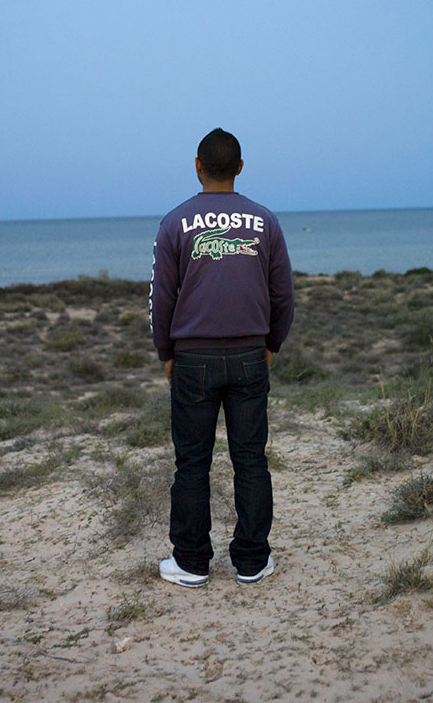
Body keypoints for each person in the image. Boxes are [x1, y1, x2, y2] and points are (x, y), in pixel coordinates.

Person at [149, 128, 295, 587]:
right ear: (239, 167)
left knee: (192, 462)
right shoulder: (265, 221)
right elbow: (284, 295)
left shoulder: (175, 222)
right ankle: (252, 561)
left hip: (193, 358)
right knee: (250, 459)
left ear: (197, 165)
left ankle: (191, 563)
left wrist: (165, 352)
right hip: (251, 355)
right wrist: (271, 344)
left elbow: (161, 299)